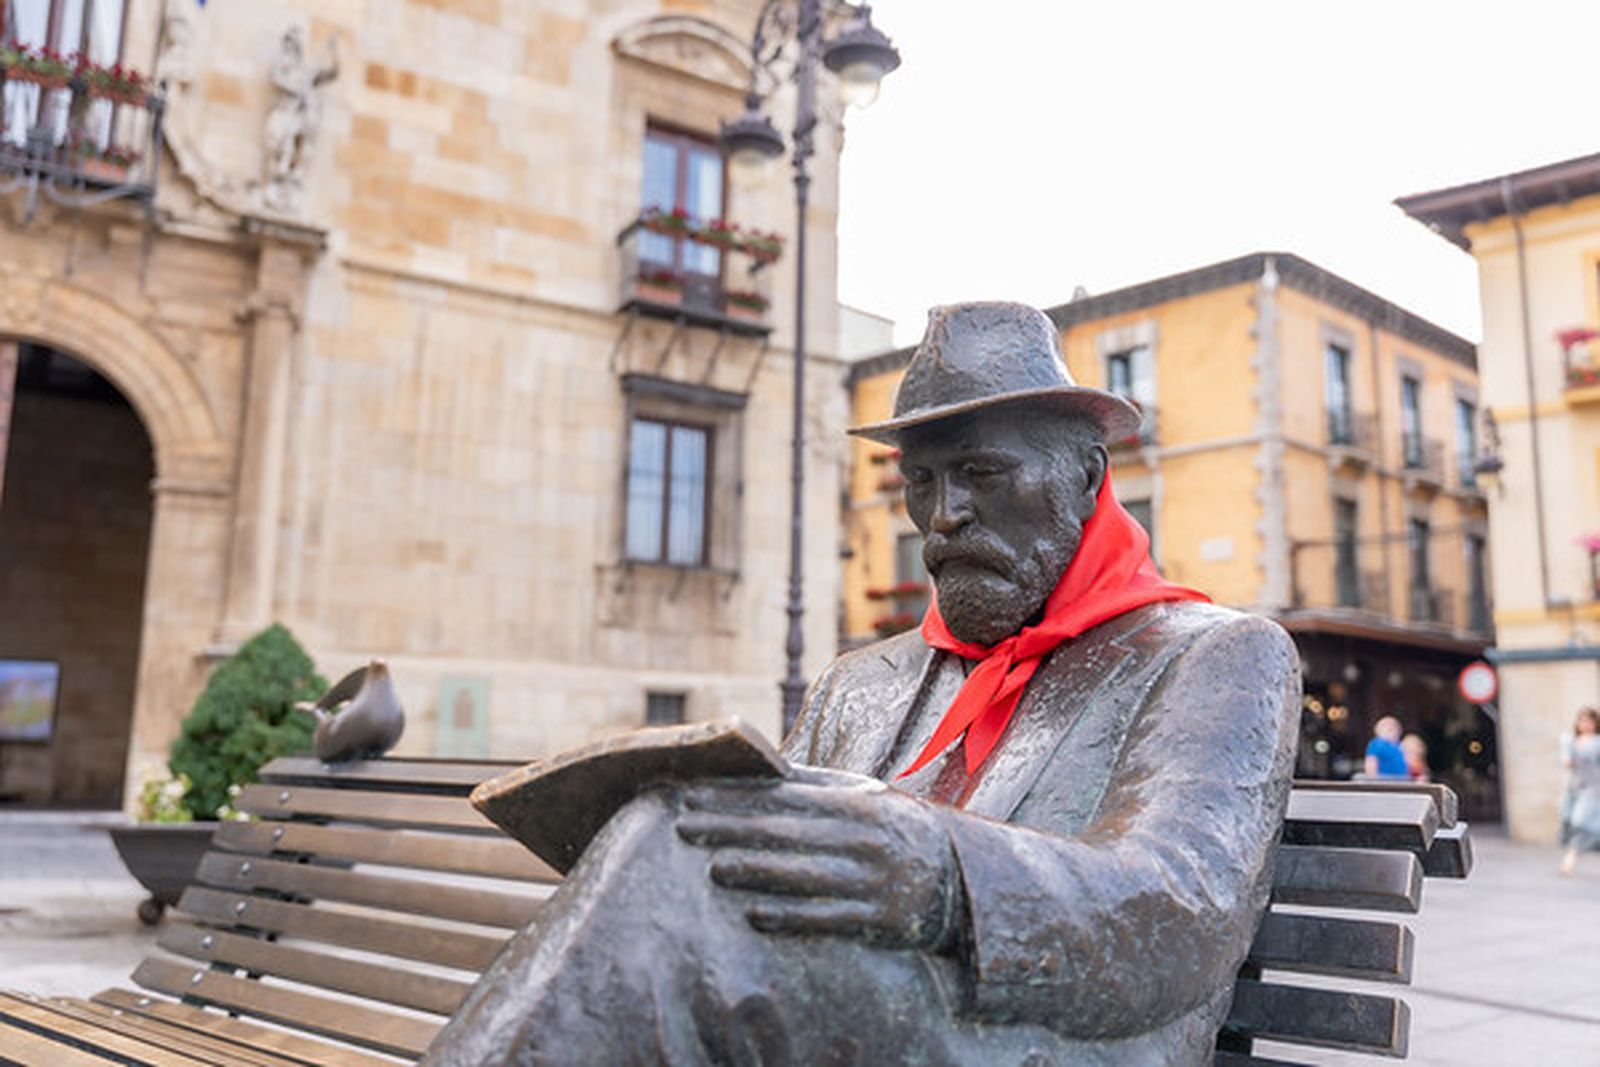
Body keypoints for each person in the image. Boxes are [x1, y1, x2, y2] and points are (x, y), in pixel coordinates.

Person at [426, 302, 1301, 1066]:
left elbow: (1188, 906)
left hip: (1061, 1040)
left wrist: (940, 874)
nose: (945, 511)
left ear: (1085, 476)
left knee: (670, 868)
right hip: (844, 1018)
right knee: (670, 838)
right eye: (922, 482)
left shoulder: (1213, 656)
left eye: (982, 473)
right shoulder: (862, 683)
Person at [1559, 707, 1600, 876]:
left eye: (1589, 721)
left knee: (1581, 823)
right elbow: (1567, 763)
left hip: (1594, 789)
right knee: (1572, 823)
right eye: (1582, 720)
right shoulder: (1571, 741)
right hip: (1575, 789)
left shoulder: (1597, 742)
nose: (1585, 724)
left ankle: (1570, 859)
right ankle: (1571, 857)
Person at [1365, 715, 1409, 779]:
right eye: (1389, 729)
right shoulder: (1376, 744)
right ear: (1378, 732)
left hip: (1402, 780)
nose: (1393, 732)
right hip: (1384, 780)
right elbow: (1371, 761)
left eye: (1395, 729)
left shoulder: (1401, 746)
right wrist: (1372, 778)